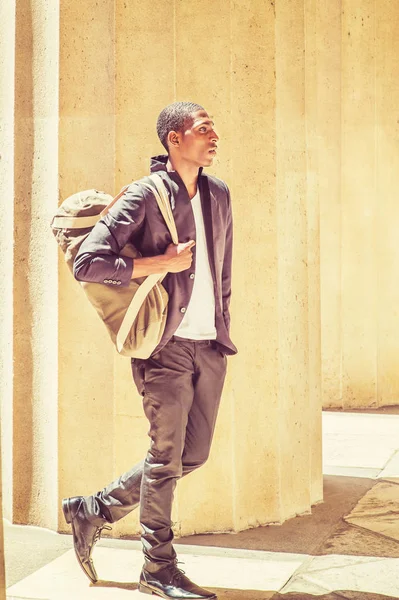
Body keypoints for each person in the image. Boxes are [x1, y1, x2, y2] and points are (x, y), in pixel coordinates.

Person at [62, 101, 237, 599]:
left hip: (209, 343)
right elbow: (88, 263)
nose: (214, 136)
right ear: (174, 139)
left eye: (213, 128)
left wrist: (222, 328)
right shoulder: (144, 195)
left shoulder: (219, 194)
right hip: (165, 344)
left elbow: (223, 270)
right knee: (165, 456)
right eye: (204, 129)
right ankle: (157, 567)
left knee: (192, 454)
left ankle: (94, 509)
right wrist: (161, 261)